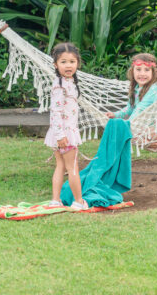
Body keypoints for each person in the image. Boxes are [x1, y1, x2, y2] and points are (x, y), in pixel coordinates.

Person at [45, 42, 88, 211]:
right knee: (72, 167)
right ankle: (79, 201)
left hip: (62, 132)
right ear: (56, 64)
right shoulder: (60, 85)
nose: (68, 65)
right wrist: (60, 135)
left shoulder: (68, 82)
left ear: (78, 63)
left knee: (61, 166)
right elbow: (55, 111)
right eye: (63, 62)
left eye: (72, 61)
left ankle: (55, 200)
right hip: (64, 134)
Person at [106, 53, 157, 152]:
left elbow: (140, 109)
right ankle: (155, 145)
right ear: (132, 71)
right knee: (127, 136)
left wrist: (127, 125)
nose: (142, 74)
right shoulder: (135, 89)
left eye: (147, 70)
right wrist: (115, 115)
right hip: (145, 127)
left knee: (126, 135)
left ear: (153, 73)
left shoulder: (152, 90)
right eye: (138, 69)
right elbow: (129, 109)